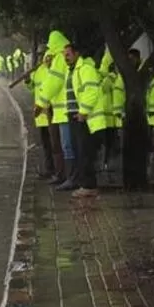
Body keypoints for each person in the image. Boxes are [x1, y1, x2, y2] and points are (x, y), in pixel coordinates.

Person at [57, 43, 106, 196]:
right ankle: (84, 184)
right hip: (74, 116)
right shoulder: (71, 71)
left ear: (77, 54)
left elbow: (91, 92)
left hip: (84, 118)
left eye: (68, 54)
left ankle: (89, 186)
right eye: (64, 55)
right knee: (79, 151)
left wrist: (83, 112)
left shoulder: (86, 70)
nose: (66, 58)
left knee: (85, 152)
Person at [35, 30, 72, 186]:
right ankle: (63, 175)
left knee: (65, 146)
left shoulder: (60, 59)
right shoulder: (61, 58)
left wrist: (41, 103)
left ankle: (67, 177)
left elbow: (53, 83)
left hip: (64, 111)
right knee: (61, 145)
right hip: (58, 110)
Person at [25, 51, 57, 179]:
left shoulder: (53, 71)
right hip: (41, 115)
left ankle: (55, 170)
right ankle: (49, 169)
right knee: (46, 144)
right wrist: (28, 82)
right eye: (45, 57)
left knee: (54, 144)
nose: (46, 59)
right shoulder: (37, 72)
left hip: (51, 112)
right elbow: (34, 89)